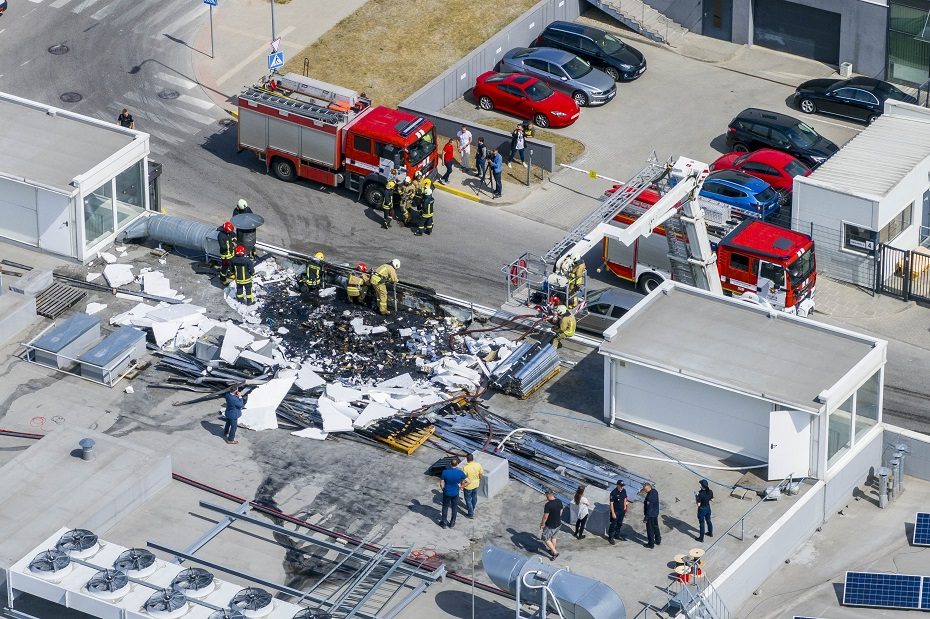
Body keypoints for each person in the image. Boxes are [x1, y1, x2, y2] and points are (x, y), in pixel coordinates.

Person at [439, 457, 467, 528]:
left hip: (447, 492)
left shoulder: (445, 472)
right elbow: (468, 481)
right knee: (454, 508)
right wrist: (461, 486)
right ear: (457, 464)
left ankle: (444, 522)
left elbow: (441, 483)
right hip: (455, 493)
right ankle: (452, 523)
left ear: (450, 464)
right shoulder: (460, 473)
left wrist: (443, 489)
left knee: (445, 507)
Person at [540, 489, 564, 561]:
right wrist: (558, 517)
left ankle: (555, 553)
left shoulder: (548, 505)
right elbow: (561, 510)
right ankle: (552, 551)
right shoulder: (559, 501)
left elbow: (545, 517)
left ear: (548, 495)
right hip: (558, 523)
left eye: (546, 496)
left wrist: (542, 524)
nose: (546, 498)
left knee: (545, 538)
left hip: (550, 525)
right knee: (554, 537)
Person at [607, 479, 629, 544]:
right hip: (616, 511)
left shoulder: (624, 490)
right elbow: (611, 504)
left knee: (619, 524)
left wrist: (625, 506)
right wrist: (613, 513)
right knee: (613, 525)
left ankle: (617, 535)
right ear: (617, 485)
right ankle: (611, 537)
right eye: (621, 486)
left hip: (622, 511)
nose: (622, 487)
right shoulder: (613, 493)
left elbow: (625, 498)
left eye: (623, 486)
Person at [462, 453, 483, 519]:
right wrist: (479, 479)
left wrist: (462, 485)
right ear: (473, 458)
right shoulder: (478, 465)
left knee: (468, 499)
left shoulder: (465, 467)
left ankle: (470, 514)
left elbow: (464, 478)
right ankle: (472, 507)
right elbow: (481, 474)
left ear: (467, 459)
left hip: (468, 486)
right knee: (474, 497)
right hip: (476, 484)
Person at [216, 221, 237, 286]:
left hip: (231, 253)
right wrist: (232, 245)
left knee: (233, 264)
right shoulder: (221, 236)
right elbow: (223, 246)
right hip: (225, 256)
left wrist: (234, 240)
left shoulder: (229, 232)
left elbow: (234, 235)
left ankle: (232, 274)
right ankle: (223, 280)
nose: (230, 232)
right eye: (228, 231)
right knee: (225, 268)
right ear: (225, 230)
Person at [643, 482, 661, 549]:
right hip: (655, 513)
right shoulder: (655, 491)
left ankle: (651, 544)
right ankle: (658, 540)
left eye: (645, 489)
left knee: (650, 529)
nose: (645, 491)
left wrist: (646, 518)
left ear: (649, 488)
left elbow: (649, 508)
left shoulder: (650, 497)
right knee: (656, 527)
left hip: (650, 515)